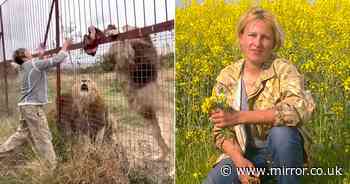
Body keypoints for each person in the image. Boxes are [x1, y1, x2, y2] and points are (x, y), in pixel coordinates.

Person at [203, 7, 315, 184]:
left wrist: (240, 117)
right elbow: (219, 132)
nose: (257, 43)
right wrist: (240, 163)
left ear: (273, 43)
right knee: (214, 181)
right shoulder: (227, 76)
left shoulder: (284, 69)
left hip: (281, 153)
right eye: (252, 35)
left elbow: (298, 109)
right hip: (243, 155)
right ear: (241, 38)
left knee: (282, 135)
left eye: (265, 37)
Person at [0, 39, 72, 169]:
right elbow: (56, 60)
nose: (29, 51)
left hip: (24, 106)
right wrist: (65, 46)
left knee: (21, 135)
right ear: (24, 55)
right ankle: (52, 167)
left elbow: (36, 66)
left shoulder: (23, 67)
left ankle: (1, 153)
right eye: (27, 51)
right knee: (43, 136)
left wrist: (40, 55)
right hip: (32, 108)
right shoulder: (33, 64)